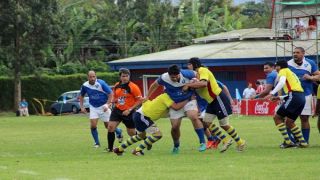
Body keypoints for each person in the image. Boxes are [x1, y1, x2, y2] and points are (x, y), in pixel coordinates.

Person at [184, 57, 246, 152]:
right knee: (206, 122)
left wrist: (188, 85)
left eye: (189, 64)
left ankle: (241, 142)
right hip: (211, 101)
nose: (187, 66)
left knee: (224, 124)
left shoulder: (202, 70)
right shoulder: (196, 75)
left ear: (194, 64)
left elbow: (204, 84)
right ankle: (225, 140)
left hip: (218, 98)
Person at [146, 65, 206, 153]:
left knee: (193, 116)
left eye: (176, 76)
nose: (174, 78)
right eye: (172, 77)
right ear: (169, 75)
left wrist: (193, 84)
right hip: (175, 102)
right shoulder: (164, 77)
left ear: (179, 73)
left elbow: (198, 75)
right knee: (175, 127)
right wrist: (147, 96)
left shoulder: (186, 73)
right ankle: (176, 146)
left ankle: (202, 143)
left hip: (189, 99)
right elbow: (154, 85)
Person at [113, 93, 189, 156]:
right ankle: (137, 150)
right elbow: (176, 107)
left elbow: (147, 102)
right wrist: (187, 99)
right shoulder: (167, 96)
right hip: (143, 116)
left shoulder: (163, 96)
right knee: (157, 135)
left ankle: (119, 149)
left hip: (139, 114)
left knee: (140, 136)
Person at [264, 60, 308, 148]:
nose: (275, 69)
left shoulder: (283, 70)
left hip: (294, 96)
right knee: (289, 122)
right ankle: (303, 142)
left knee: (277, 117)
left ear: (279, 66)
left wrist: (272, 93)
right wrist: (279, 97)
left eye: (276, 67)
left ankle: (288, 142)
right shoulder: (291, 73)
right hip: (301, 98)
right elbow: (294, 90)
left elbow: (282, 82)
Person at [79, 70, 122, 148]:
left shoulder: (101, 83)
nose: (92, 78)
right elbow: (81, 96)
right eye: (90, 77)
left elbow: (110, 94)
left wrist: (107, 104)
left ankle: (118, 131)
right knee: (93, 126)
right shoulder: (85, 85)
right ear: (87, 77)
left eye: (93, 76)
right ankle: (97, 143)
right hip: (93, 107)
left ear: (96, 76)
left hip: (103, 106)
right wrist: (82, 107)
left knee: (108, 127)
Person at [287, 47, 320, 144]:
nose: (295, 54)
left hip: (306, 95)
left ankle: (305, 141)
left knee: (304, 118)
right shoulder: (288, 64)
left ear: (303, 53)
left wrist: (310, 77)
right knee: (288, 119)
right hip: (292, 95)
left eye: (297, 52)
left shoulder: (310, 63)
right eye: (294, 52)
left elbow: (319, 76)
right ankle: (291, 141)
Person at [107, 68, 143, 152]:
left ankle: (144, 141)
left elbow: (140, 100)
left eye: (127, 76)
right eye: (123, 76)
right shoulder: (116, 85)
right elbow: (115, 96)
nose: (125, 78)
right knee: (110, 127)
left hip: (129, 112)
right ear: (120, 77)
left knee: (131, 133)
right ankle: (110, 149)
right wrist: (111, 102)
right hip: (117, 110)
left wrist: (130, 110)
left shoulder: (133, 87)